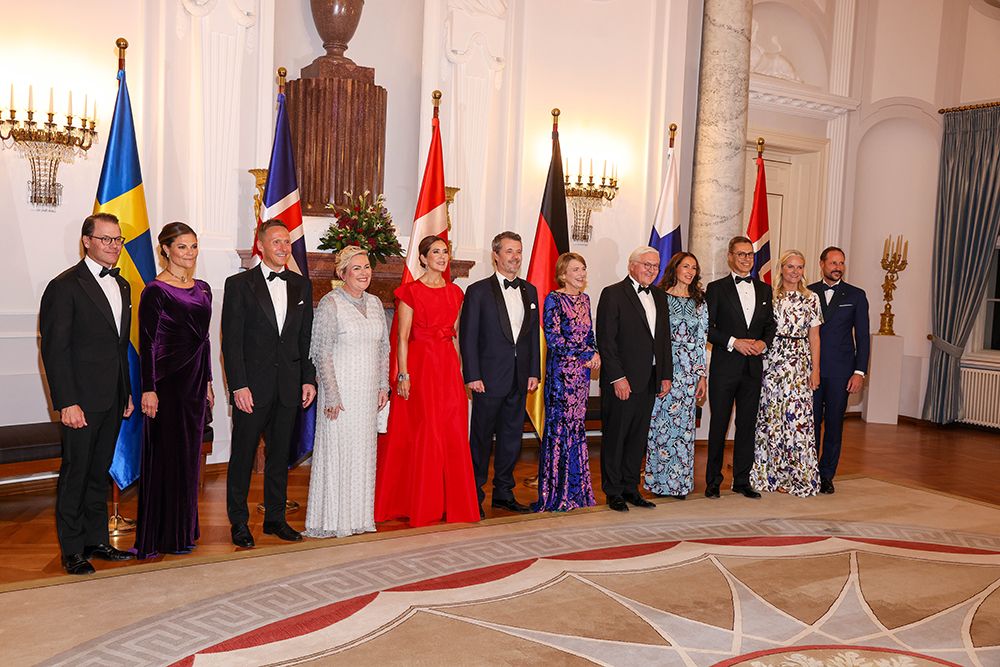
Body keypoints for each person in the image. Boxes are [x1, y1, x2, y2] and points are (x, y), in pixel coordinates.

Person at [39, 213, 136, 574]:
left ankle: (96, 541)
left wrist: (125, 391)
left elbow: (119, 346)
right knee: (76, 473)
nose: (113, 246)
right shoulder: (64, 286)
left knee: (99, 472)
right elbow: (54, 350)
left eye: (118, 240)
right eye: (106, 239)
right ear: (86, 241)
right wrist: (66, 402)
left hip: (112, 397)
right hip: (79, 400)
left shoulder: (123, 285)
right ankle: (72, 549)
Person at [221, 219, 316, 548]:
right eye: (276, 242)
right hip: (252, 389)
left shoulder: (302, 286)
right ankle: (239, 522)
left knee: (279, 457)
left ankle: (276, 519)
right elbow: (230, 344)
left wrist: (308, 379)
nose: (283, 247)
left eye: (287, 242)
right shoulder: (239, 285)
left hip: (289, 387)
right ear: (260, 246)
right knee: (243, 456)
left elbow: (306, 340)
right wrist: (238, 386)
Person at [375, 235, 479, 527]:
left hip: (446, 368)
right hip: (421, 367)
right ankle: (422, 504)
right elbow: (402, 337)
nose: (442, 257)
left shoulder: (456, 294)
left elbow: (455, 336)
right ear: (422, 258)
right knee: (427, 432)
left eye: (445, 251)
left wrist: (459, 373)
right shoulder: (410, 291)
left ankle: (451, 504)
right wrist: (403, 374)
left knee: (452, 432)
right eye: (436, 252)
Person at [134, 222, 214, 558]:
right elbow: (148, 343)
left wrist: (208, 380)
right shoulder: (155, 290)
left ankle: (184, 530)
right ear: (165, 249)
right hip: (166, 383)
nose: (190, 253)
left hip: (195, 383)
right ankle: (162, 534)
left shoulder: (205, 288)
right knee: (166, 457)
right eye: (182, 247)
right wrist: (149, 389)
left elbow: (205, 338)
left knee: (188, 458)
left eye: (194, 246)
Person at [304, 247, 389, 538]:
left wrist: (383, 386)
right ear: (342, 273)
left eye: (367, 267)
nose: (364, 273)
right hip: (340, 395)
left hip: (367, 395)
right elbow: (321, 353)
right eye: (357, 268)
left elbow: (383, 349)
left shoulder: (377, 303)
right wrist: (331, 395)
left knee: (363, 454)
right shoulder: (330, 303)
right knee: (339, 454)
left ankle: (358, 518)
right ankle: (333, 520)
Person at [459, 231, 540, 516]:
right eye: (509, 251)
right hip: (487, 379)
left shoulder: (530, 291)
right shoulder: (478, 291)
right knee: (481, 439)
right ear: (496, 255)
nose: (515, 256)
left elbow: (531, 338)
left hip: (520, 378)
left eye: (518, 251)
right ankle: (474, 494)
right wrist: (472, 375)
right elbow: (468, 337)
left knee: (511, 439)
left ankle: (503, 493)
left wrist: (534, 371)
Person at [596, 246, 672, 512]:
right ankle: (613, 491)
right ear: (631, 266)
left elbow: (663, 340)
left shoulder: (660, 297)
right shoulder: (613, 294)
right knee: (616, 437)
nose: (651, 270)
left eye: (655, 266)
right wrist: (618, 377)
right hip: (623, 381)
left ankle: (631, 488)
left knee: (638, 438)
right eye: (646, 264)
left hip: (649, 379)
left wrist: (665, 374)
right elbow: (606, 341)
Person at [705, 236, 776, 499]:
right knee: (719, 425)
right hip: (725, 367)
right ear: (730, 257)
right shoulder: (716, 288)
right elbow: (709, 328)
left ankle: (742, 480)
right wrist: (734, 342)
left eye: (750, 254)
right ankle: (713, 481)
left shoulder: (765, 289)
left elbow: (770, 325)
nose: (746, 259)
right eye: (741, 254)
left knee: (747, 425)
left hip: (752, 369)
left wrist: (762, 343)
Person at [750, 250, 823, 497]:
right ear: (781, 269)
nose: (795, 271)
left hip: (800, 361)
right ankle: (772, 474)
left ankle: (798, 476)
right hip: (773, 359)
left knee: (797, 419)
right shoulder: (769, 296)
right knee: (773, 417)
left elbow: (815, 337)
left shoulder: (811, 298)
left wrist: (816, 370)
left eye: (799, 267)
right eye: (790, 267)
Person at [533, 252, 600, 512]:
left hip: (581, 376)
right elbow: (554, 339)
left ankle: (578, 491)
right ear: (563, 274)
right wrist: (585, 353)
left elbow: (590, 334)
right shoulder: (554, 299)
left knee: (577, 428)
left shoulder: (585, 299)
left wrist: (594, 353)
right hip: (561, 376)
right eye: (575, 270)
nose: (581, 274)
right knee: (560, 430)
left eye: (583, 268)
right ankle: (557, 493)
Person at [644, 252, 708, 500]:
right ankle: (658, 482)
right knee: (660, 426)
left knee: (683, 430)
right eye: (685, 266)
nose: (690, 271)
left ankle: (680, 484)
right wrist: (658, 369)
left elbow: (701, 340)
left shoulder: (700, 301)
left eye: (694, 267)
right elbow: (654, 336)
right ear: (675, 268)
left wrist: (702, 375)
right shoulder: (660, 297)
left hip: (689, 373)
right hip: (666, 369)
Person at [809, 246, 870, 494]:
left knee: (834, 424)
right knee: (809, 423)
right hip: (811, 370)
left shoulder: (856, 295)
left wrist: (860, 372)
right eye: (833, 262)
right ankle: (808, 471)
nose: (838, 267)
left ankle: (826, 475)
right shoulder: (808, 292)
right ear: (822, 264)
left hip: (841, 372)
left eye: (841, 263)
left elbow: (863, 337)